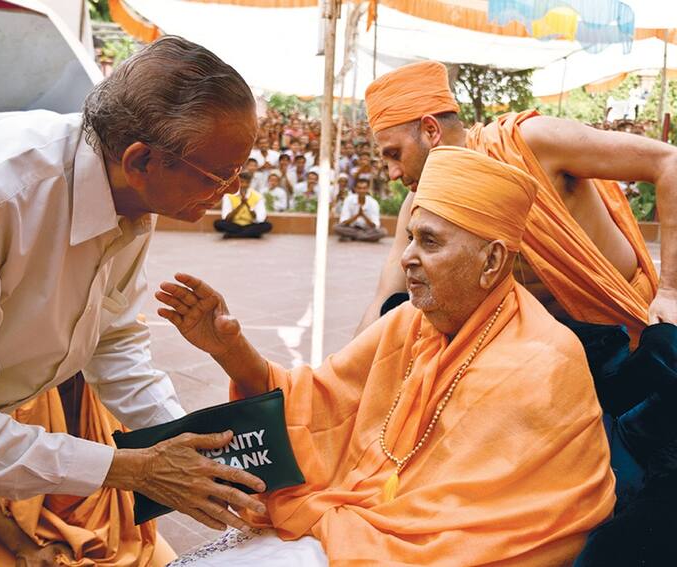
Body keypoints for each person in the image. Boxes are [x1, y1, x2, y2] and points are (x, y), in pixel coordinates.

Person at [156, 147, 614, 566]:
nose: (406, 258)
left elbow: (493, 528)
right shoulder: (411, 321)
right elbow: (316, 402)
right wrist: (230, 350)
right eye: (410, 238)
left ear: (491, 261)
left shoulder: (541, 361)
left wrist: (363, 525)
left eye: (429, 243)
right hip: (368, 518)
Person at [0, 36, 267, 567]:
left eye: (241, 173)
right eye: (221, 177)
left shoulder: (132, 198)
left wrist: (191, 449)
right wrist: (135, 469)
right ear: (143, 159)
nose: (232, 193)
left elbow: (114, 341)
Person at [355, 60, 676, 337]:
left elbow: (669, 164)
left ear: (430, 130)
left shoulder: (530, 143)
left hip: (622, 329)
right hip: (537, 353)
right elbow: (386, 298)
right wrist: (341, 378)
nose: (393, 173)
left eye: (394, 154)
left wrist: (671, 292)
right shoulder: (417, 206)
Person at [0, 375, 176, 566]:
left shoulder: (101, 376)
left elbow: (135, 381)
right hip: (15, 530)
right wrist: (23, 547)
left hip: (114, 532)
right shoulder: (6, 378)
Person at [215, 171, 272, 238]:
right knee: (218, 223)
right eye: (241, 182)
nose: (244, 185)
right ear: (238, 183)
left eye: (247, 183)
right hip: (234, 225)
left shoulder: (258, 196)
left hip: (250, 225)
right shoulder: (229, 196)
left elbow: (259, 219)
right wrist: (240, 205)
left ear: (250, 183)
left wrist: (247, 204)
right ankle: (249, 234)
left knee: (267, 225)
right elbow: (226, 218)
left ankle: (234, 235)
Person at [334, 178, 387, 242]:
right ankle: (364, 237)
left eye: (364, 188)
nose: (362, 191)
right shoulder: (349, 200)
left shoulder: (373, 203)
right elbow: (344, 222)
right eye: (359, 188)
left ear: (367, 189)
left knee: (383, 232)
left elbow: (374, 225)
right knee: (336, 227)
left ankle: (354, 237)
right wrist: (357, 215)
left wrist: (363, 215)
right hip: (352, 228)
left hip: (368, 229)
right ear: (355, 189)